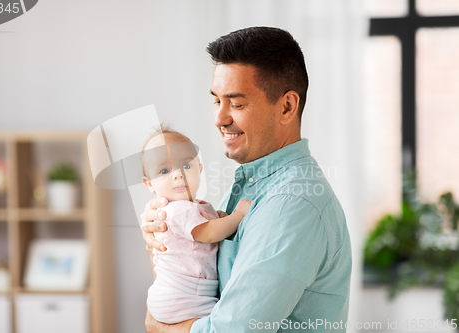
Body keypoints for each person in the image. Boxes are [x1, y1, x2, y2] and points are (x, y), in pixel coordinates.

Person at [141, 26, 352, 333]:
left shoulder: (291, 204)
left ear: (286, 107)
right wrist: (165, 238)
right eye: (217, 101)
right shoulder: (250, 185)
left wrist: (158, 327)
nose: (219, 118)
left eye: (236, 104)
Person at [141, 126, 253, 324]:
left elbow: (207, 226)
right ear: (149, 184)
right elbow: (209, 234)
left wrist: (217, 217)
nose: (178, 174)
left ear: (200, 169)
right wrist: (238, 215)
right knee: (221, 322)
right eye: (164, 170)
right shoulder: (179, 209)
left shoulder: (190, 206)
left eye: (186, 165)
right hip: (184, 295)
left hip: (178, 293)